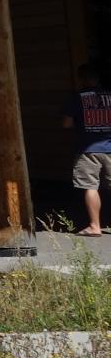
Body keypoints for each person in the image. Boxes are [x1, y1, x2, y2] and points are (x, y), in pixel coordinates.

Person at [61, 64, 111, 236]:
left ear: (82, 78)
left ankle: (95, 226)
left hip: (87, 149)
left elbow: (66, 124)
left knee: (90, 186)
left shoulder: (77, 98)